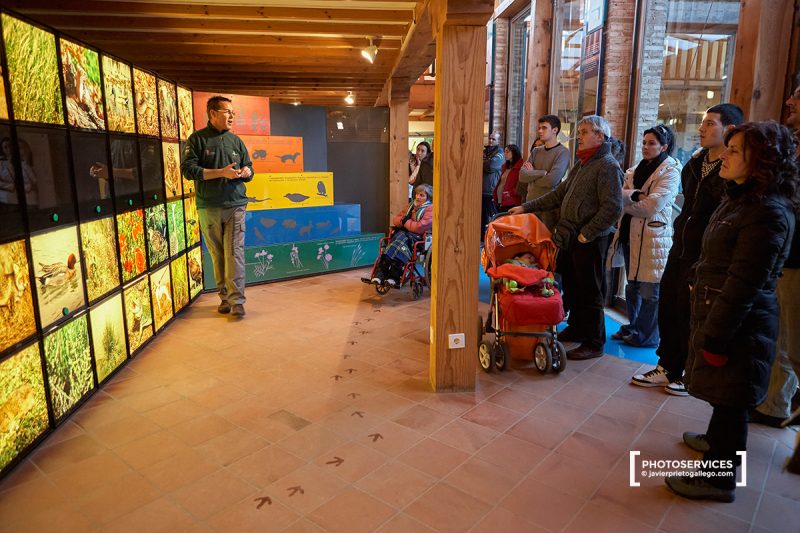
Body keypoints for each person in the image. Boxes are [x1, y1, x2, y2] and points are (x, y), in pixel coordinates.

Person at [666, 121, 798, 502]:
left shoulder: (767, 212)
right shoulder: (740, 197)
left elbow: (744, 283)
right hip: (724, 313)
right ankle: (715, 441)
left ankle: (718, 479)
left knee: (733, 402)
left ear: (761, 161)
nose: (724, 155)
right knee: (725, 395)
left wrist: (717, 334)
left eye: (735, 150)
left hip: (742, 325)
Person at [632, 103, 744, 394]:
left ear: (730, 130)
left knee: (691, 312)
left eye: (710, 124)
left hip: (708, 253)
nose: (701, 129)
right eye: (703, 123)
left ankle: (688, 373)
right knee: (669, 305)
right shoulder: (694, 164)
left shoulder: (731, 170)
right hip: (680, 245)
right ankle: (667, 366)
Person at [510, 115, 623, 360]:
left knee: (590, 291)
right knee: (572, 285)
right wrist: (526, 207)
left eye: (584, 132)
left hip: (589, 240)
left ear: (600, 136)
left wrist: (586, 234)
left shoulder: (608, 166)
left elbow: (613, 208)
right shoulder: (583, 163)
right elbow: (559, 194)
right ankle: (577, 328)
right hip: (571, 236)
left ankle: (594, 342)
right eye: (579, 132)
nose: (578, 137)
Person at [751, 83, 800, 428]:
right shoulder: (792, 145)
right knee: (781, 337)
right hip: (784, 254)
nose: (788, 101)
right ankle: (774, 405)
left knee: (793, 345)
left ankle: (777, 405)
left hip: (797, 258)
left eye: (797, 95)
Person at [608, 125, 681, 347]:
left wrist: (627, 201)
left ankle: (647, 336)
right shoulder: (635, 169)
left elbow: (651, 207)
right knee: (632, 287)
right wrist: (635, 196)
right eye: (644, 143)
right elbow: (617, 197)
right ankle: (634, 327)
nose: (645, 147)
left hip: (653, 239)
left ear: (664, 147)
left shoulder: (670, 171)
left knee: (650, 290)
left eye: (652, 143)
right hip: (629, 234)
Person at [180, 95, 253, 318]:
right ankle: (224, 298)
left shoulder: (236, 141)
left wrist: (247, 172)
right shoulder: (196, 140)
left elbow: (249, 167)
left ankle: (237, 301)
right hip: (208, 206)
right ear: (213, 113)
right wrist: (220, 173)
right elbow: (188, 170)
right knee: (218, 254)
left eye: (233, 113)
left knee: (235, 253)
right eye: (227, 112)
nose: (232, 116)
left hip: (236, 205)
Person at [371, 184, 433, 287]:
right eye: (417, 194)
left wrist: (405, 222)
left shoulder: (430, 209)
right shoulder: (410, 206)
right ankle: (383, 276)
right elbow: (396, 219)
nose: (418, 197)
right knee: (399, 239)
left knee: (400, 240)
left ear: (428, 197)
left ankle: (389, 276)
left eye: (422, 195)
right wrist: (404, 222)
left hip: (417, 238)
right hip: (404, 234)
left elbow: (420, 227)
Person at [517, 115, 570, 230]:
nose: (540, 131)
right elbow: (522, 176)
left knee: (545, 238)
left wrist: (532, 176)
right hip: (530, 204)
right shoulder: (536, 151)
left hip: (548, 208)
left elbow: (551, 181)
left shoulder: (563, 152)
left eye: (544, 128)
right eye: (539, 128)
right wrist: (542, 173)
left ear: (554, 130)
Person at [482, 132, 504, 240]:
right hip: (481, 191)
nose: (491, 140)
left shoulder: (500, 153)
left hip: (491, 192)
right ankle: (482, 239)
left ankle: (491, 240)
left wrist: (483, 163)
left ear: (498, 141)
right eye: (490, 138)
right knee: (481, 219)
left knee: (491, 219)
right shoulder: (484, 151)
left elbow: (491, 166)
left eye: (493, 139)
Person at [493, 144, 523, 212]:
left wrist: (510, 193)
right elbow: (501, 183)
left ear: (514, 152)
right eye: (504, 151)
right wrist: (495, 195)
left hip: (511, 201)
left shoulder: (520, 167)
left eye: (507, 151)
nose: (505, 154)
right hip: (500, 200)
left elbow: (522, 185)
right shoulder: (506, 166)